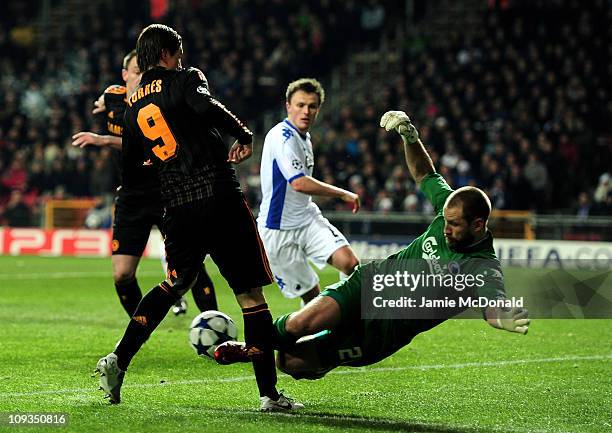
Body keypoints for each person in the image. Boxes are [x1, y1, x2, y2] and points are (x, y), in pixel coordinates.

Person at [215, 111, 530, 381]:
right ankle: (249, 349)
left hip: (384, 330)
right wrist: (410, 137)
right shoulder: (448, 207)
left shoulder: (483, 267)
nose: (445, 229)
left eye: (455, 225)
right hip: (370, 283)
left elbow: (492, 308)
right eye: (445, 221)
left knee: (291, 362)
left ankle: (317, 354)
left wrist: (505, 317)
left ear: (478, 226)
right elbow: (425, 173)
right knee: (301, 321)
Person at [93, 24, 302, 412]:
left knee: (175, 283)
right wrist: (243, 133)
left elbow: (136, 168)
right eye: (179, 52)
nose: (182, 59)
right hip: (218, 195)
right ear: (168, 54)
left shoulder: (134, 107)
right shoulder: (186, 79)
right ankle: (269, 395)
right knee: (250, 297)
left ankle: (118, 360)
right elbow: (208, 108)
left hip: (178, 206)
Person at [72, 50, 217, 317]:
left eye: (146, 71)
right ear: (125, 75)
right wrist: (104, 100)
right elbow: (108, 95)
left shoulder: (158, 104)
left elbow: (142, 144)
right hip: (131, 197)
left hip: (168, 192)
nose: (142, 77)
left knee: (191, 268)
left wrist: (103, 139)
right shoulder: (115, 96)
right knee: (122, 274)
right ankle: (140, 327)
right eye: (136, 71)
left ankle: (215, 326)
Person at [257, 78, 360, 305]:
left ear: (318, 110)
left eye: (311, 106)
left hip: (306, 218)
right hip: (278, 230)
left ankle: (345, 321)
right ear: (288, 106)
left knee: (350, 264)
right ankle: (315, 333)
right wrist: (343, 194)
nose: (306, 111)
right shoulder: (281, 137)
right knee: (313, 300)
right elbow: (299, 183)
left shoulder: (304, 137)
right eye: (300, 105)